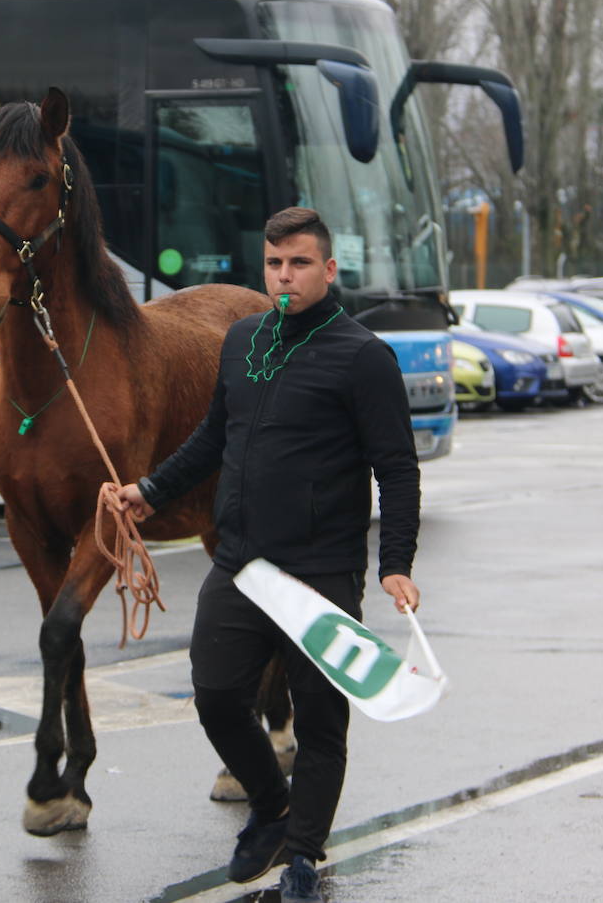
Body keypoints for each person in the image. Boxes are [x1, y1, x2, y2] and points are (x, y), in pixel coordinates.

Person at [118, 207, 421, 903]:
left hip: (321, 570)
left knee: (319, 721)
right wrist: (149, 490)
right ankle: (271, 806)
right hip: (243, 563)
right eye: (274, 265)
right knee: (217, 693)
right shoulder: (243, 340)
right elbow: (212, 437)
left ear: (328, 268)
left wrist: (396, 561)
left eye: (299, 264)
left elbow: (396, 469)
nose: (285, 277)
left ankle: (305, 860)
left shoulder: (362, 356)